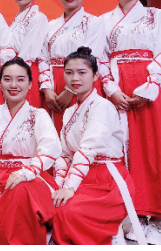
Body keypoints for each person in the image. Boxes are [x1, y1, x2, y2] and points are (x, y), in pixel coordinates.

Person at [98, 0, 161, 245]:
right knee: (124, 150)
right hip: (118, 88)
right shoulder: (103, 20)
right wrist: (111, 89)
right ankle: (134, 217)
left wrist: (149, 87)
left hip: (149, 87)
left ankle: (155, 220)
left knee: (154, 151)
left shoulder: (156, 15)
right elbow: (99, 58)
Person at [52, 47, 145, 245]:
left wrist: (68, 188)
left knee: (66, 212)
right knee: (49, 205)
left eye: (82, 72)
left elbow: (88, 149)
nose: (75, 78)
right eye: (69, 72)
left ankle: (109, 233)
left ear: (95, 76)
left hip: (106, 181)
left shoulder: (103, 106)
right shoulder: (69, 112)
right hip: (82, 177)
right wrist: (58, 185)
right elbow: (64, 155)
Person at [0, 58, 61, 245]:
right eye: (7, 79)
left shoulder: (39, 115)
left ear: (30, 84)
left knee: (21, 190)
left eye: (21, 79)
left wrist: (27, 173)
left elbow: (51, 148)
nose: (14, 85)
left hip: (32, 176)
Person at [38, 0, 104, 133]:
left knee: (81, 130)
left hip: (81, 82)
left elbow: (91, 58)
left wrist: (70, 91)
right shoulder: (50, 25)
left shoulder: (94, 22)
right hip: (53, 85)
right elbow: (42, 58)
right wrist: (47, 89)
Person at [8, 0, 49, 109]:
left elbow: (27, 54)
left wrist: (15, 75)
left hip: (25, 71)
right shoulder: (18, 19)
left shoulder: (38, 17)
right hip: (14, 72)